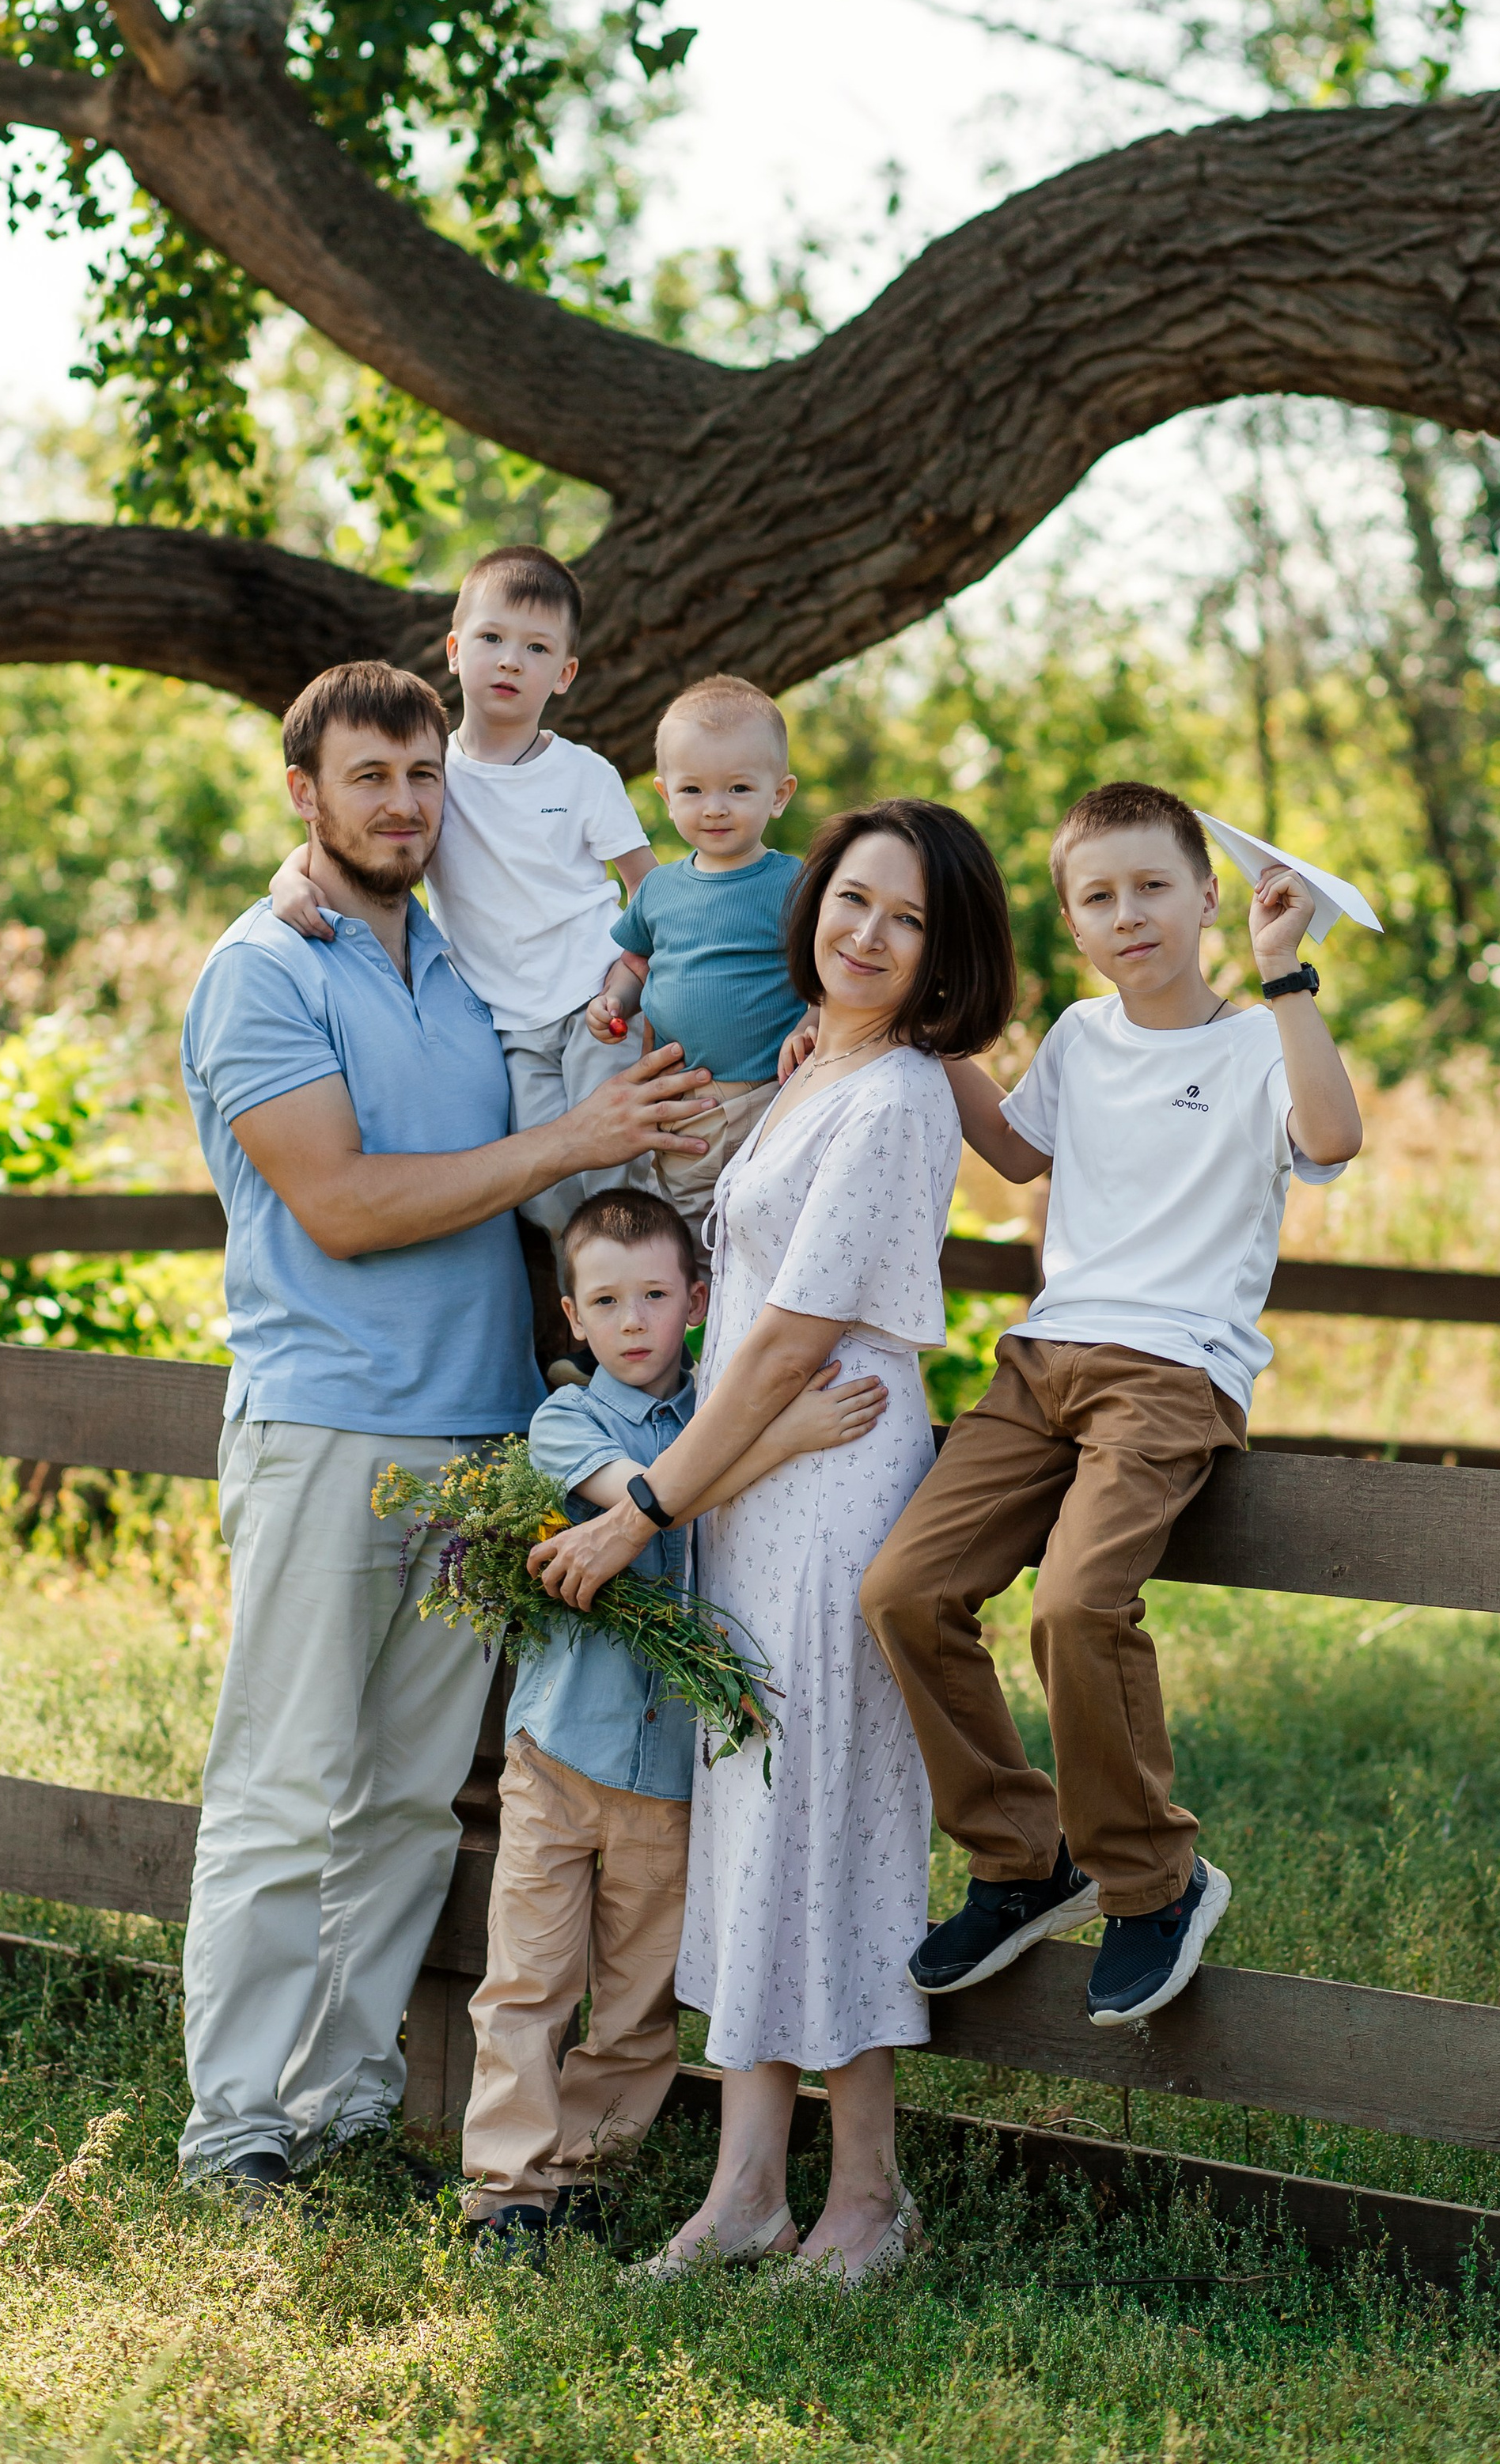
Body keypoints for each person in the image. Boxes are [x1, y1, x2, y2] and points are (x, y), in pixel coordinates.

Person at [176, 660, 710, 2200]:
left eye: (422, 778)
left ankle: (343, 2100)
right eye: (368, 779)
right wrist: (567, 1139)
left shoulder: (464, 972)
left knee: (411, 1794)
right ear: (305, 795)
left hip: (482, 1442)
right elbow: (339, 1207)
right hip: (329, 1430)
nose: (401, 804)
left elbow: (576, 1108)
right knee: (284, 1785)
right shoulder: (262, 969)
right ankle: (235, 2126)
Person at [532, 801, 1015, 2287]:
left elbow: (794, 1338)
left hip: (826, 1487)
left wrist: (645, 1506)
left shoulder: (901, 1099)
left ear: (945, 956)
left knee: (836, 1825)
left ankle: (866, 2195)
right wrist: (699, 1491)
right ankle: (745, 2188)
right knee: (754, 1825)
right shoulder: (824, 1072)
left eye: (906, 919)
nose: (866, 934)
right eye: (852, 900)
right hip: (754, 1490)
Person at [861, 780, 1363, 2030]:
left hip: (1171, 1371)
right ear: (1073, 922)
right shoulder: (1081, 1038)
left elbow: (1336, 1138)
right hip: (1041, 1364)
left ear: (1205, 896)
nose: (1127, 914)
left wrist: (1286, 974)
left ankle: (1155, 1883)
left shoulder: (1258, 1040)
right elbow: (1022, 1152)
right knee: (903, 1593)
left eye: (1152, 888)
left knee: (1080, 1607)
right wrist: (907, 1037)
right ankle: (1026, 1860)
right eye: (1098, 897)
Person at [460, 1186, 885, 2259]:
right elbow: (649, 1496)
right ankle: (508, 2193)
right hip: (561, 1756)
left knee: (641, 1998)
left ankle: (589, 2175)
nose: (635, 1321)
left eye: (655, 1294)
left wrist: (759, 1426)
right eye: (607, 1301)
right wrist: (784, 1433)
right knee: (529, 1980)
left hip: (671, 1777)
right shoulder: (569, 1421)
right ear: (572, 1316)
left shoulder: (716, 1414)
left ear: (698, 1299)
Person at [270, 545, 654, 1240]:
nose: (510, 660)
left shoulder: (584, 776)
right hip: (507, 1021)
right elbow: (362, 833)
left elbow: (648, 890)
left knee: (619, 1174)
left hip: (592, 996)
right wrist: (288, 874)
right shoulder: (434, 775)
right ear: (453, 650)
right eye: (491, 639)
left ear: (564, 674)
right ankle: (585, 1332)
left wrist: (633, 978)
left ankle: (652, 1339)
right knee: (541, 1195)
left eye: (536, 648)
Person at [586, 675, 815, 1260]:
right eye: (693, 790)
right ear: (666, 795)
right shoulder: (660, 889)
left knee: (767, 1241)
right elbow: (637, 963)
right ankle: (696, 1348)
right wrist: (613, 1001)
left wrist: (812, 1020)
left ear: (779, 794)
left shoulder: (794, 884)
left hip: (770, 1099)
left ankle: (763, 1347)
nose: (714, 808)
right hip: (685, 1108)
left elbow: (824, 970)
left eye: (739, 788)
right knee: (689, 1246)